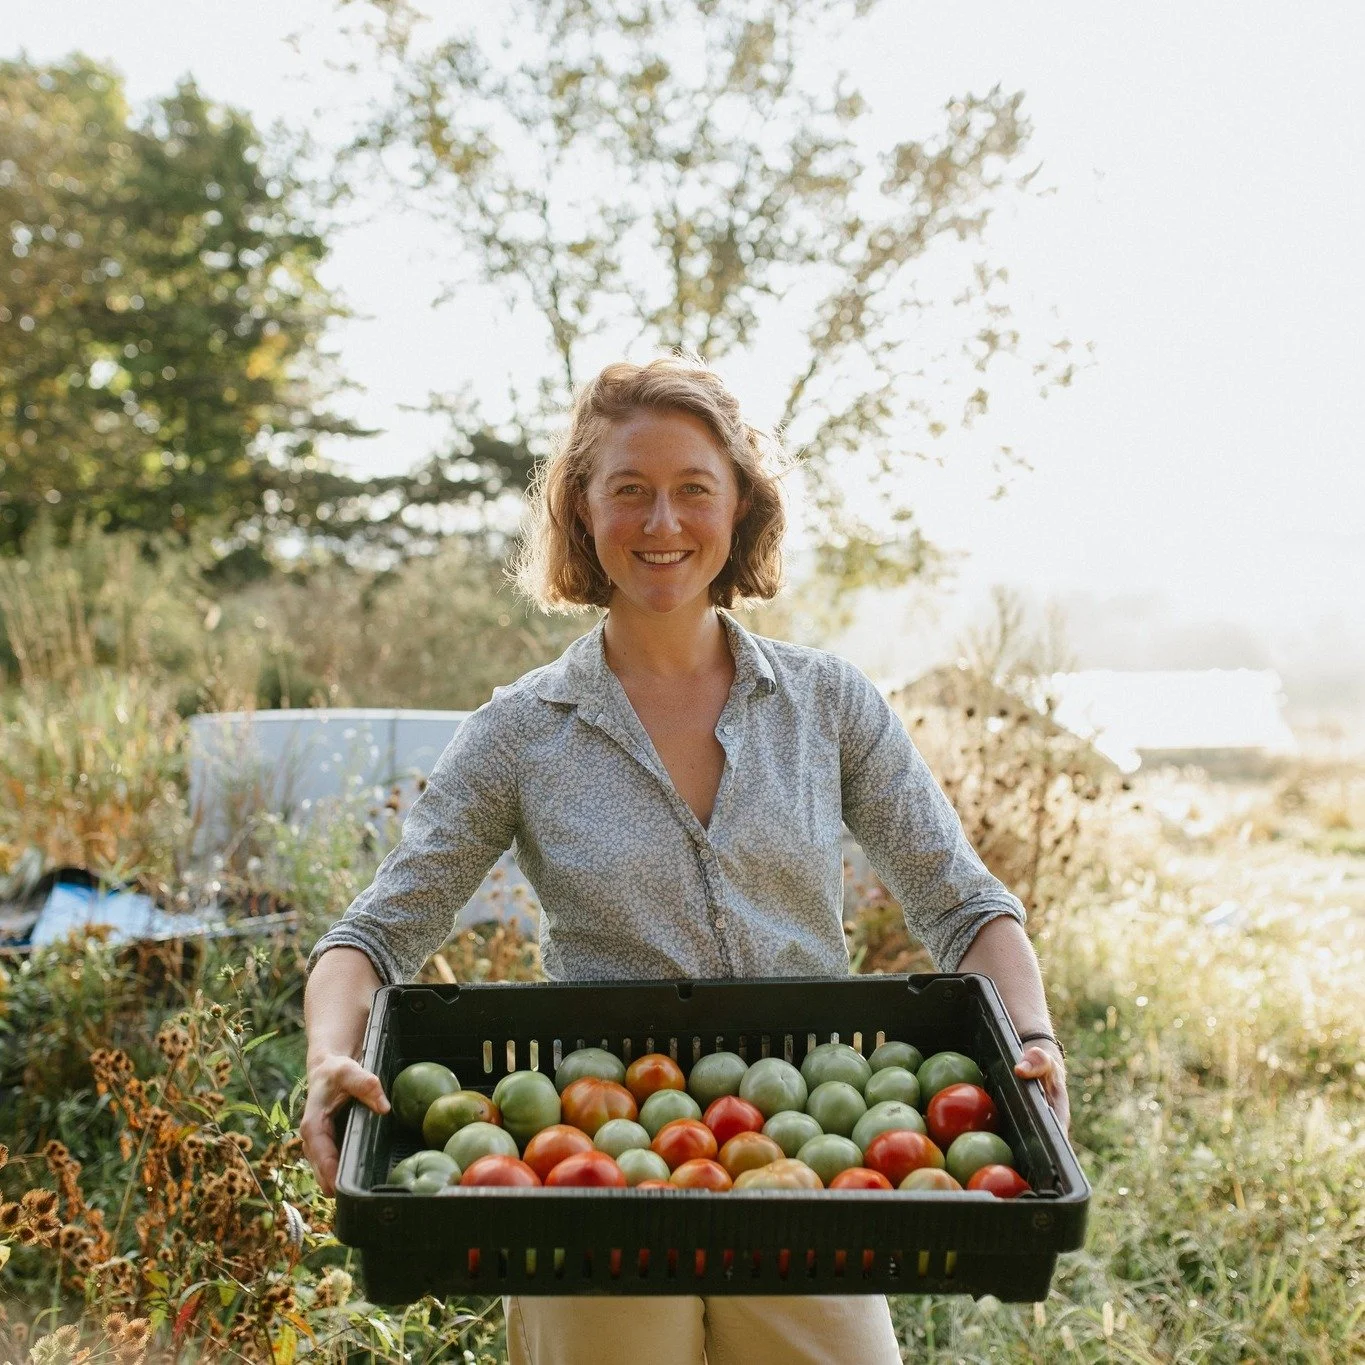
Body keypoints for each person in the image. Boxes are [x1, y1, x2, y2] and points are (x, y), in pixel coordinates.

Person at [300, 356, 1070, 1365]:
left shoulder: (829, 706)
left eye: (693, 490)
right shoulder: (521, 732)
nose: (663, 523)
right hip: (596, 1159)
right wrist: (327, 1056)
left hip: (812, 1152)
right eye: (629, 491)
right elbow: (373, 933)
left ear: (740, 503)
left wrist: (1037, 1037)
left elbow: (964, 907)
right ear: (582, 511)